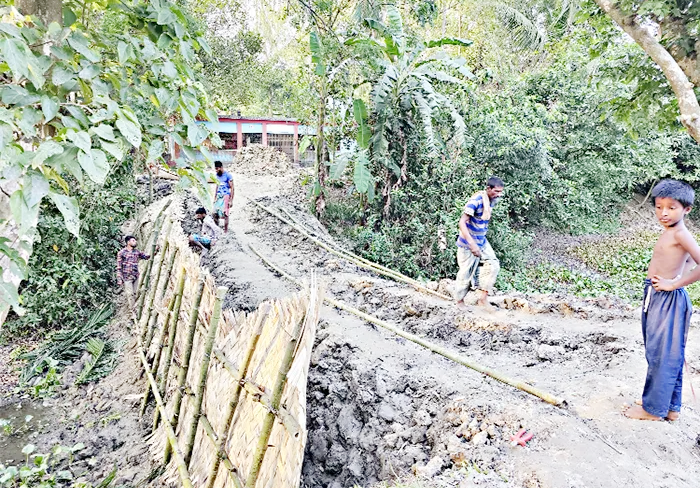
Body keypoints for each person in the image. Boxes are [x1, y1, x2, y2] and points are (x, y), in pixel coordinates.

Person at [623, 179, 700, 421]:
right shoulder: (671, 232)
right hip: (656, 295)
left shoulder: (681, 234)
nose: (663, 213)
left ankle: (653, 409)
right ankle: (669, 406)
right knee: (664, 352)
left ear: (686, 209)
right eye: (658, 207)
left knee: (662, 353)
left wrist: (673, 284)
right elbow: (686, 261)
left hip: (667, 298)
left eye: (671, 207)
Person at [454, 176, 504, 310]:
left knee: (493, 264)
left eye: (500, 192)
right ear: (488, 189)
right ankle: (459, 302)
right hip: (468, 241)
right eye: (496, 191)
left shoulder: (491, 201)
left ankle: (483, 299)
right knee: (465, 272)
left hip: (481, 240)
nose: (499, 194)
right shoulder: (475, 201)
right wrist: (472, 244)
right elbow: (462, 222)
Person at [116, 236, 152, 311]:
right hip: (127, 277)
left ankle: (135, 308)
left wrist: (154, 252)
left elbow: (145, 256)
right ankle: (133, 311)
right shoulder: (121, 253)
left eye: (135, 240)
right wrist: (119, 278)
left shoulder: (137, 252)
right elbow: (119, 267)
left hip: (135, 275)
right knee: (130, 294)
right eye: (133, 240)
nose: (135, 242)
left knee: (135, 293)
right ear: (128, 242)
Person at [213, 161, 234, 232]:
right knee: (215, 213)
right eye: (215, 169)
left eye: (217, 168)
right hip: (219, 196)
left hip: (226, 196)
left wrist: (231, 200)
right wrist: (215, 197)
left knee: (225, 214)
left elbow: (232, 188)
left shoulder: (228, 175)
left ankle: (226, 230)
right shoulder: (217, 175)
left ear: (221, 167)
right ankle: (217, 229)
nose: (216, 170)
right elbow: (217, 186)